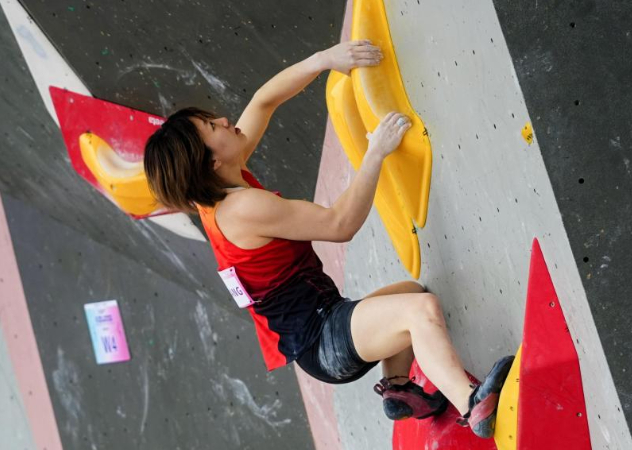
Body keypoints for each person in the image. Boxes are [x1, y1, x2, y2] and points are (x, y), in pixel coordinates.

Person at [143, 39, 513, 438]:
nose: (223, 119)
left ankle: (399, 391)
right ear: (212, 160)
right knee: (419, 311)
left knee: (410, 292)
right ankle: (473, 405)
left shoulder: (216, 187)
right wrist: (375, 153)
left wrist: (323, 60)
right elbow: (340, 224)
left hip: (323, 324)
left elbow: (264, 101)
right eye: (213, 127)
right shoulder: (243, 209)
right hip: (324, 342)